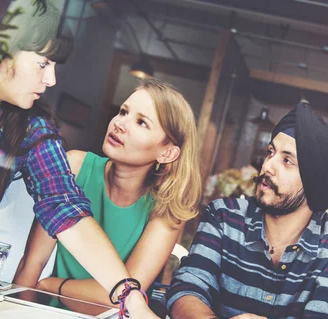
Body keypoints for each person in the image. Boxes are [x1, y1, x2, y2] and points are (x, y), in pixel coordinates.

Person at [0, 1, 186, 319]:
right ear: (5, 47)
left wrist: (133, 300)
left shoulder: (33, 131)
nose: (50, 80)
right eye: (43, 63)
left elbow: (65, 210)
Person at [167, 102, 328, 319]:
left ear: (316, 183)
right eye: (270, 152)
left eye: (287, 161)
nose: (267, 166)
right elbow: (187, 288)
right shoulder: (224, 216)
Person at [13, 79, 201, 305]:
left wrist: (50, 285)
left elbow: (120, 299)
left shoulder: (167, 209)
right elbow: (31, 264)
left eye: (142, 122)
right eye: (123, 112)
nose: (120, 124)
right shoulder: (74, 167)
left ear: (167, 154)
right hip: (51, 317)